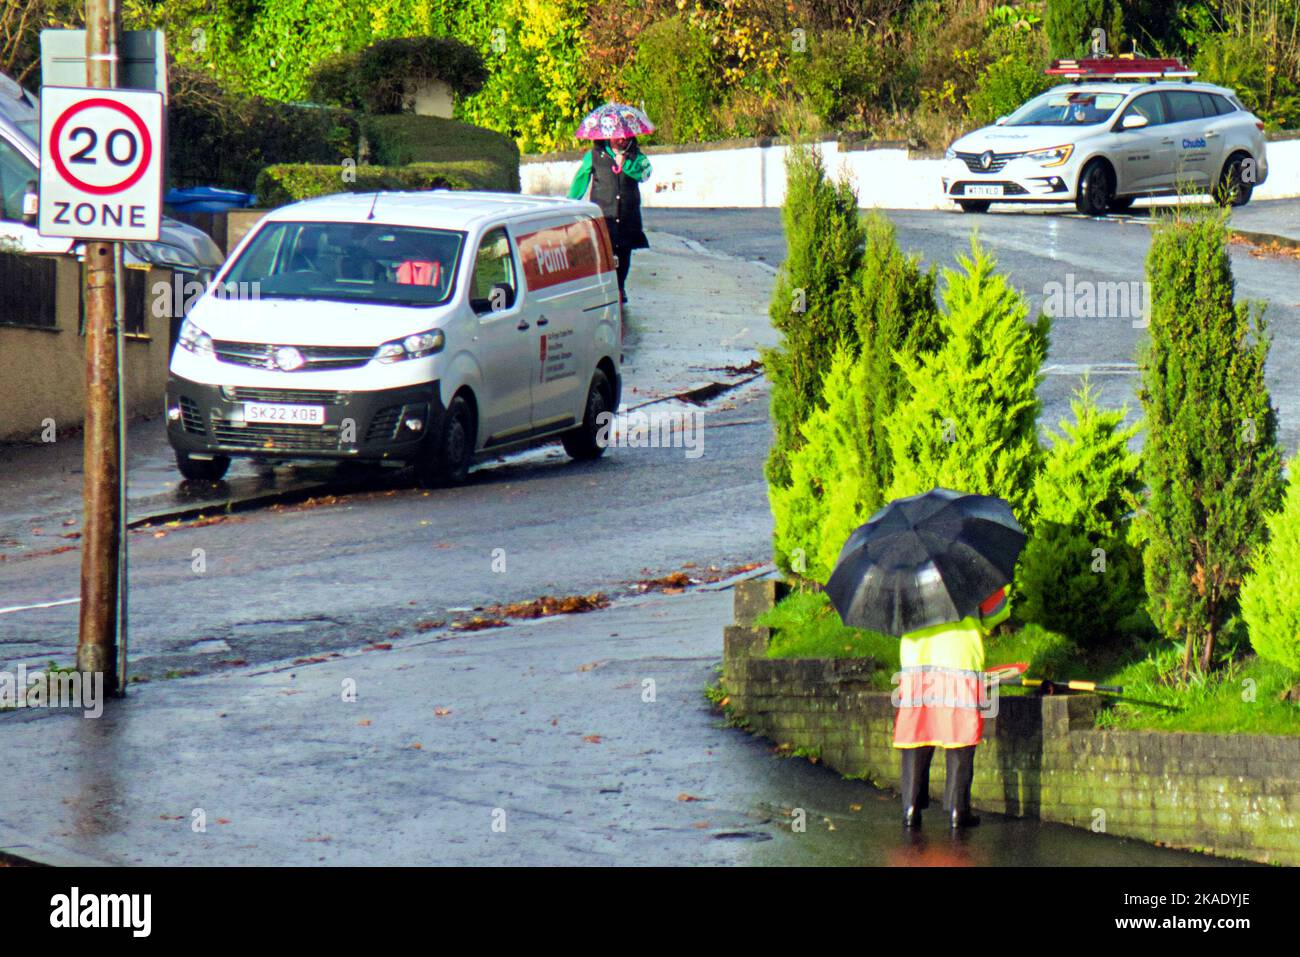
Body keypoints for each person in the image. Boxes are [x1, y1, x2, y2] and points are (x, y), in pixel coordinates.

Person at [895, 586, 1010, 829]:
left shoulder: (904, 574)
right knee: (960, 737)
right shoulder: (970, 570)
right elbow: (997, 613)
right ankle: (958, 811)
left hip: (917, 662)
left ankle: (911, 808)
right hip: (959, 659)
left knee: (917, 735)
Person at [568, 135, 651, 303]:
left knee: (624, 253)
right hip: (604, 216)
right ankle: (606, 287)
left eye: (625, 138)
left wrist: (625, 164)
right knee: (605, 252)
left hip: (628, 215)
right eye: (616, 137)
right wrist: (569, 203)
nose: (620, 140)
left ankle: (620, 286)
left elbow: (645, 174)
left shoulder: (637, 156)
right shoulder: (594, 155)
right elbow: (580, 180)